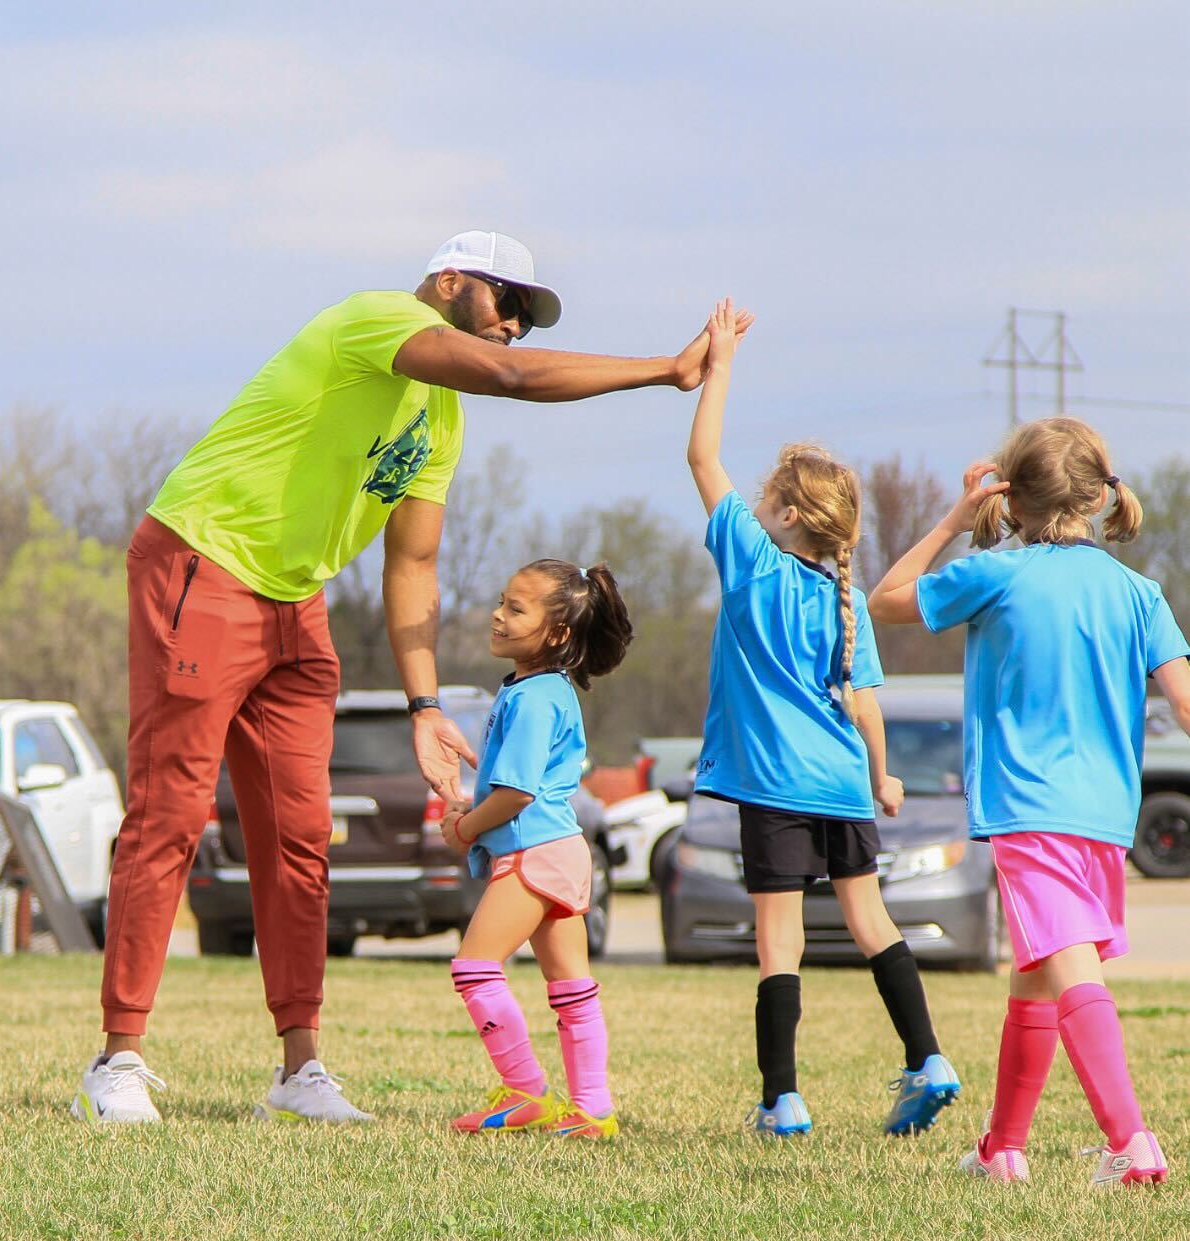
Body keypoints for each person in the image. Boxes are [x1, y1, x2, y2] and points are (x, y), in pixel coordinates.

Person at [71, 231, 749, 1127]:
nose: (514, 325)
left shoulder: (442, 420)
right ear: (449, 281)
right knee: (170, 812)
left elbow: (414, 563)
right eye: (506, 302)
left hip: (295, 600)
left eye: (528, 316)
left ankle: (299, 1070)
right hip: (202, 561)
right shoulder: (374, 320)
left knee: (302, 837)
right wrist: (666, 370)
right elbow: (509, 375)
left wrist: (424, 705)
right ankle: (117, 1059)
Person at [868, 417, 1190, 1185]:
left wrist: (954, 519)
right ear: (1098, 495)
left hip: (1029, 806)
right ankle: (1002, 1148)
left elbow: (885, 599)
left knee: (1066, 963)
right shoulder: (1139, 592)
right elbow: (1184, 700)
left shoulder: (998, 573)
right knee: (1035, 973)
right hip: (1105, 816)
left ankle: (1132, 1141)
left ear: (1010, 499)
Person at [686, 299, 960, 1139]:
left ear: (788, 516)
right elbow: (866, 703)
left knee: (780, 942)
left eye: (767, 498)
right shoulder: (846, 599)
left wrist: (720, 364)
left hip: (775, 786)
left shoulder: (751, 566)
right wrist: (881, 777)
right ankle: (929, 1058)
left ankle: (783, 1099)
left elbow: (700, 455)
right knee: (872, 921)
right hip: (842, 782)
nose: (755, 505)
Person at [439, 559, 632, 1140]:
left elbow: (518, 794)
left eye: (516, 608)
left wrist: (465, 828)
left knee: (474, 969)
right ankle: (592, 1109)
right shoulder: (541, 689)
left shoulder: (533, 698)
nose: (498, 615)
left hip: (534, 852)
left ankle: (525, 1091)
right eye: (502, 601)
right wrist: (472, 787)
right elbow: (525, 780)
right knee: (572, 986)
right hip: (561, 849)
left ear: (558, 633)